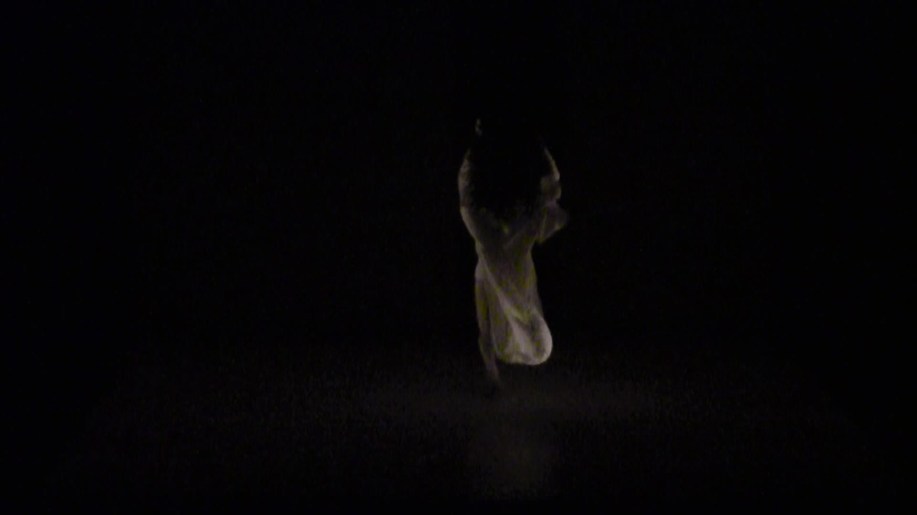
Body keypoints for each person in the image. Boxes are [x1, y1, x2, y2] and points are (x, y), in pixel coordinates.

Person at [458, 116, 569, 395]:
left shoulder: (502, 243)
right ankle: (495, 373)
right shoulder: (496, 248)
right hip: (494, 261)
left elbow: (551, 192)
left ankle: (494, 373)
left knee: (498, 250)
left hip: (497, 257)